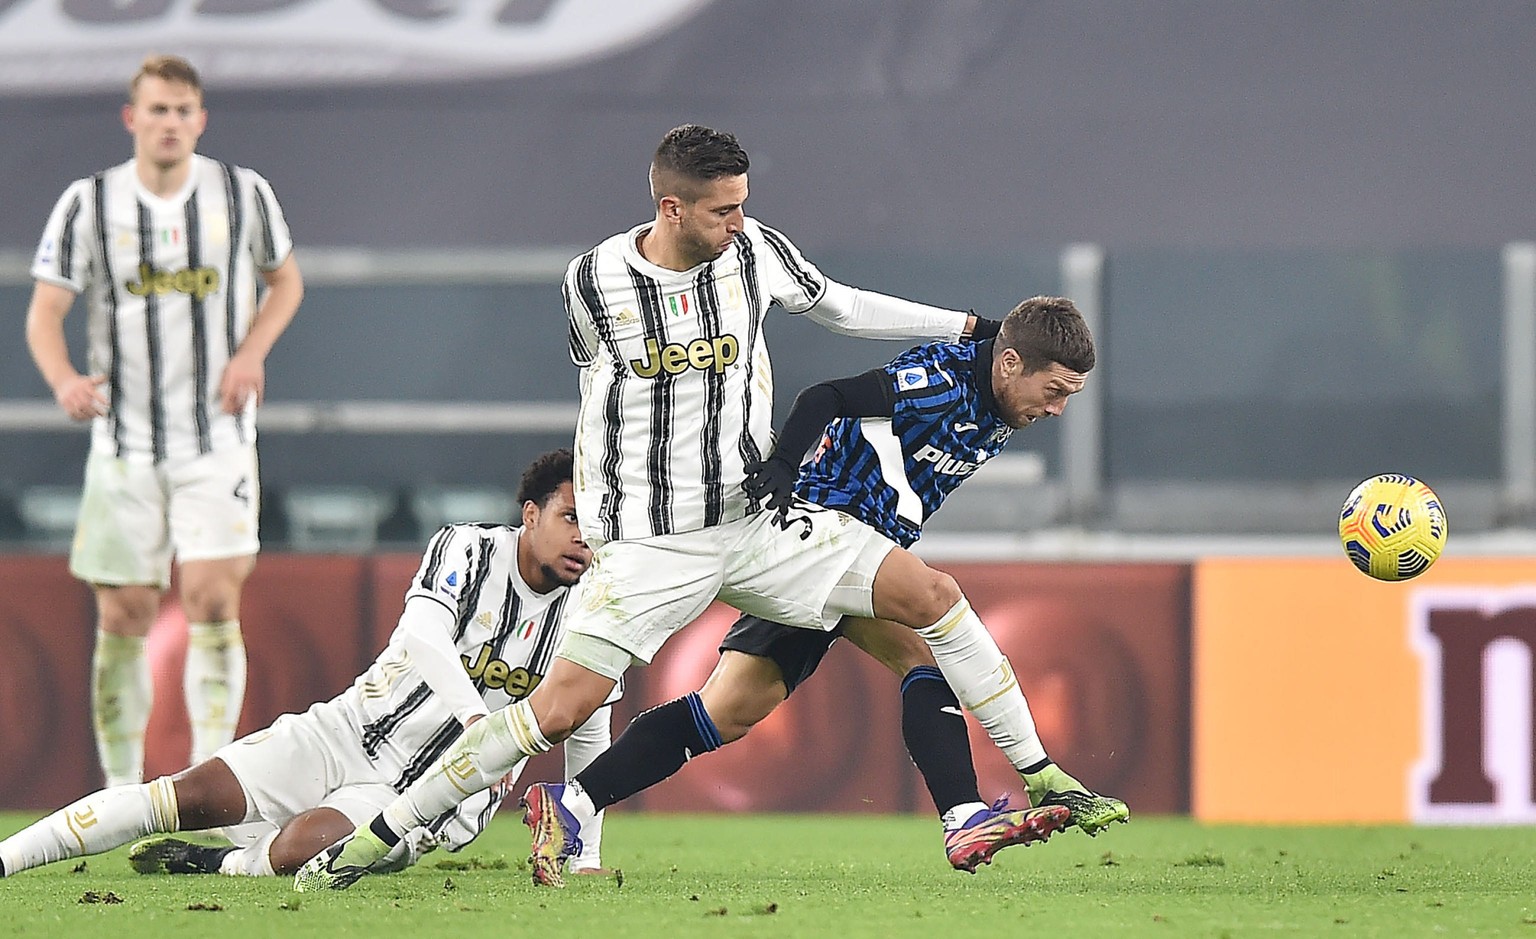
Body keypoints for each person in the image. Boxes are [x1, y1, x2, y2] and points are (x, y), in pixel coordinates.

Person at [295, 124, 1109, 892]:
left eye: (743, 203)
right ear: (671, 207)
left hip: (756, 520)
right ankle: (381, 832)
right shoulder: (594, 279)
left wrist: (974, 325)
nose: (739, 222)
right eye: (723, 209)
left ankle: (1029, 773)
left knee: (930, 598)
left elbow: (842, 305)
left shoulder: (756, 253)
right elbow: (595, 384)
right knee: (561, 708)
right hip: (652, 541)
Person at [525, 296, 1129, 880]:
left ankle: (572, 806)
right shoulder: (942, 381)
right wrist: (785, 466)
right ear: (1010, 363)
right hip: (823, 535)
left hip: (847, 551)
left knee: (727, 713)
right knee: (933, 617)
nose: (1056, 411)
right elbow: (827, 398)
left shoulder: (1001, 397)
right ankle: (980, 805)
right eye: (1054, 393)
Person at [0, 449, 615, 879]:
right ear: (530, 514)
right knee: (179, 797)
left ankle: (227, 865)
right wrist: (482, 721)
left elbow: (589, 726)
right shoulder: (469, 548)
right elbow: (424, 634)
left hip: (434, 798)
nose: (583, 536)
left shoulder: (597, 606)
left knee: (306, 846)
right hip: (345, 731)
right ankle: (7, 859)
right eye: (569, 517)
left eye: (597, 522)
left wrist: (585, 851)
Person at [24, 54, 305, 788]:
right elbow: (45, 313)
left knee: (214, 596)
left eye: (183, 110)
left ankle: (202, 778)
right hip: (125, 443)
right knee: (125, 612)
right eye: (157, 109)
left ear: (200, 118)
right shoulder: (88, 204)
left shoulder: (243, 195)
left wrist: (251, 352)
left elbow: (286, 281)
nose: (170, 122)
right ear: (132, 118)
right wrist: (62, 380)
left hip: (216, 435)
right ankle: (120, 791)